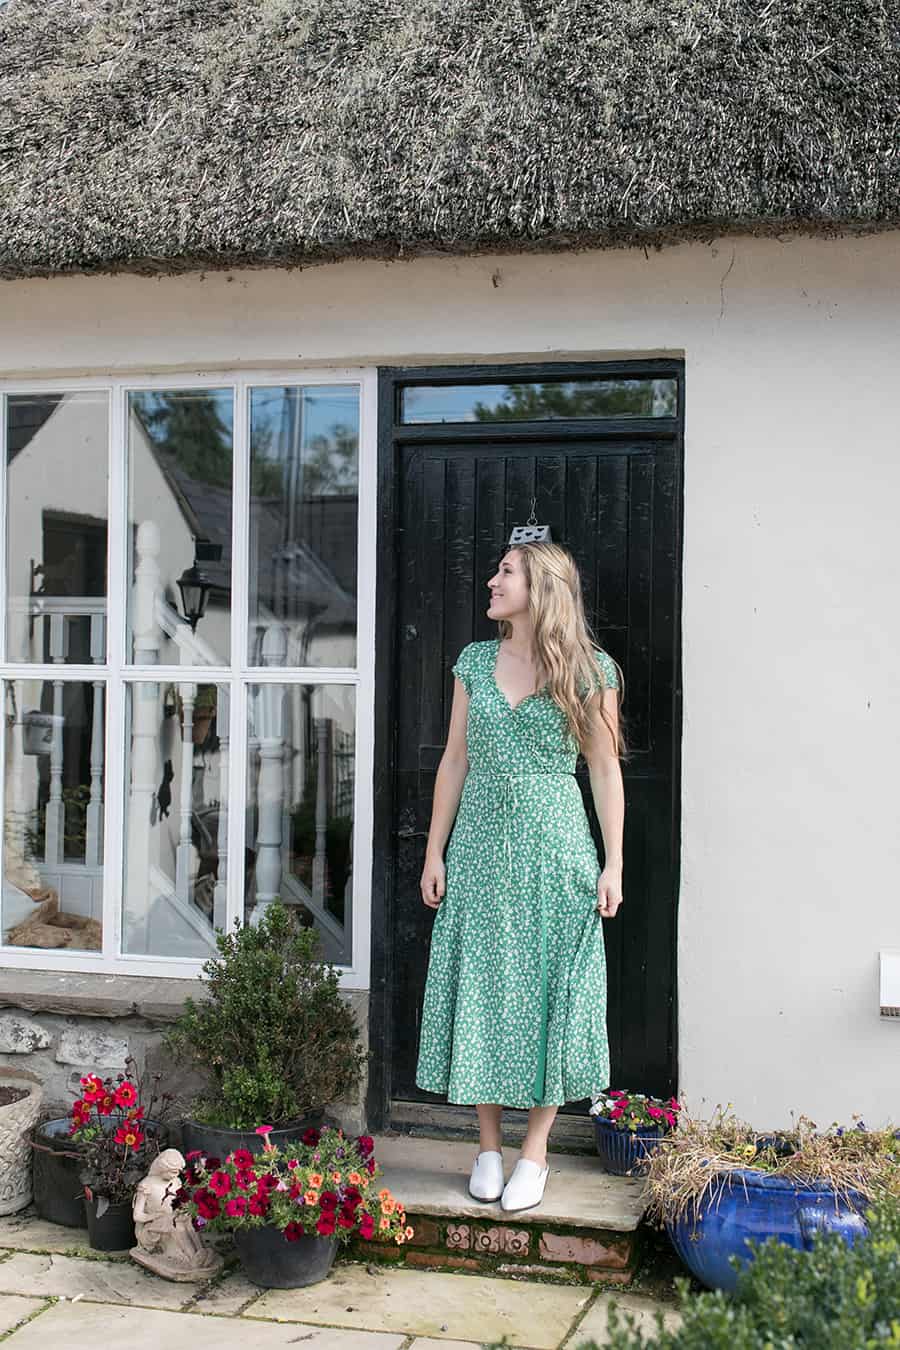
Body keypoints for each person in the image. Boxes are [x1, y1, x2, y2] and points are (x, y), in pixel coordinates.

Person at [414, 540, 625, 1213]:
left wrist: (613, 861)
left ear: (542, 586)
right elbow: (453, 760)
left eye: (505, 571)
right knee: (482, 981)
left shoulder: (590, 670)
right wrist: (434, 851)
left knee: (550, 990)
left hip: (557, 852)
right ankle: (486, 1147)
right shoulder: (475, 662)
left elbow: (603, 769)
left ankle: (535, 1152)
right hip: (478, 847)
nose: (492, 579)